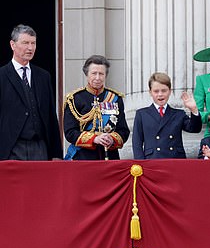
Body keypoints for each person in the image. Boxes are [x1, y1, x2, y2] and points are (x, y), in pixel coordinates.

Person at [0, 24, 63, 160]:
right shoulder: (2, 75)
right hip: (11, 149)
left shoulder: (43, 76)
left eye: (33, 43)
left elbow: (51, 115)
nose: (30, 48)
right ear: (13, 45)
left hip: (40, 148)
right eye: (25, 43)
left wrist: (56, 154)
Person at [64, 55, 130, 160]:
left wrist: (111, 139)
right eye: (94, 73)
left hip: (109, 156)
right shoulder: (75, 98)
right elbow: (70, 132)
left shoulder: (115, 98)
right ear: (87, 74)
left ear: (106, 75)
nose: (98, 78)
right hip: (83, 157)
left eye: (101, 74)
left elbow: (123, 131)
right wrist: (95, 139)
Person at [132, 72, 202, 159]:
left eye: (164, 90)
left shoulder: (178, 114)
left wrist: (194, 109)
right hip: (152, 160)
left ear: (170, 91)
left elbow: (195, 129)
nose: (160, 94)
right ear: (150, 92)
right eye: (156, 91)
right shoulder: (142, 114)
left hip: (175, 160)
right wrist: (140, 164)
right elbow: (137, 142)